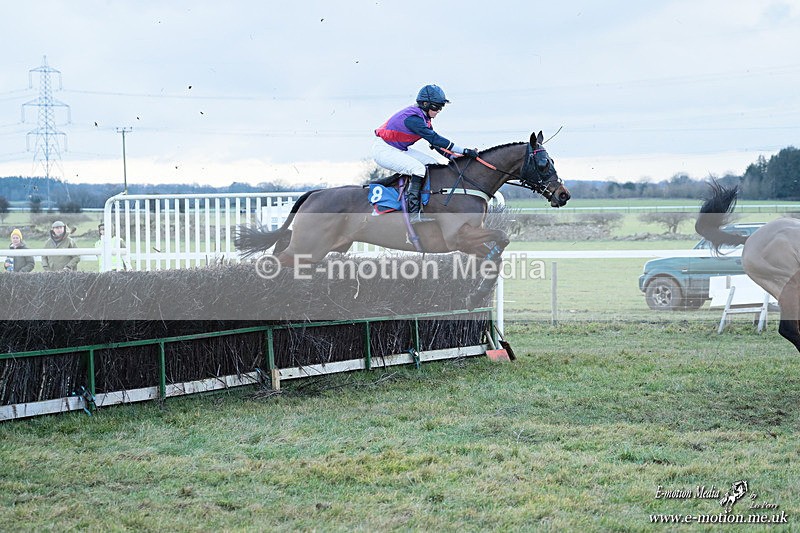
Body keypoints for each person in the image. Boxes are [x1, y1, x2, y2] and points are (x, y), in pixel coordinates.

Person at [372, 84, 479, 224]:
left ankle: (426, 203)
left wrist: (452, 157)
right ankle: (413, 213)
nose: (438, 111)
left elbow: (435, 143)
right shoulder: (413, 119)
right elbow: (435, 139)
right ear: (425, 104)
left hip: (398, 148)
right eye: (436, 107)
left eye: (441, 107)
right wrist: (464, 150)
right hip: (384, 150)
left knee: (433, 164)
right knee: (418, 169)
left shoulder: (424, 118)